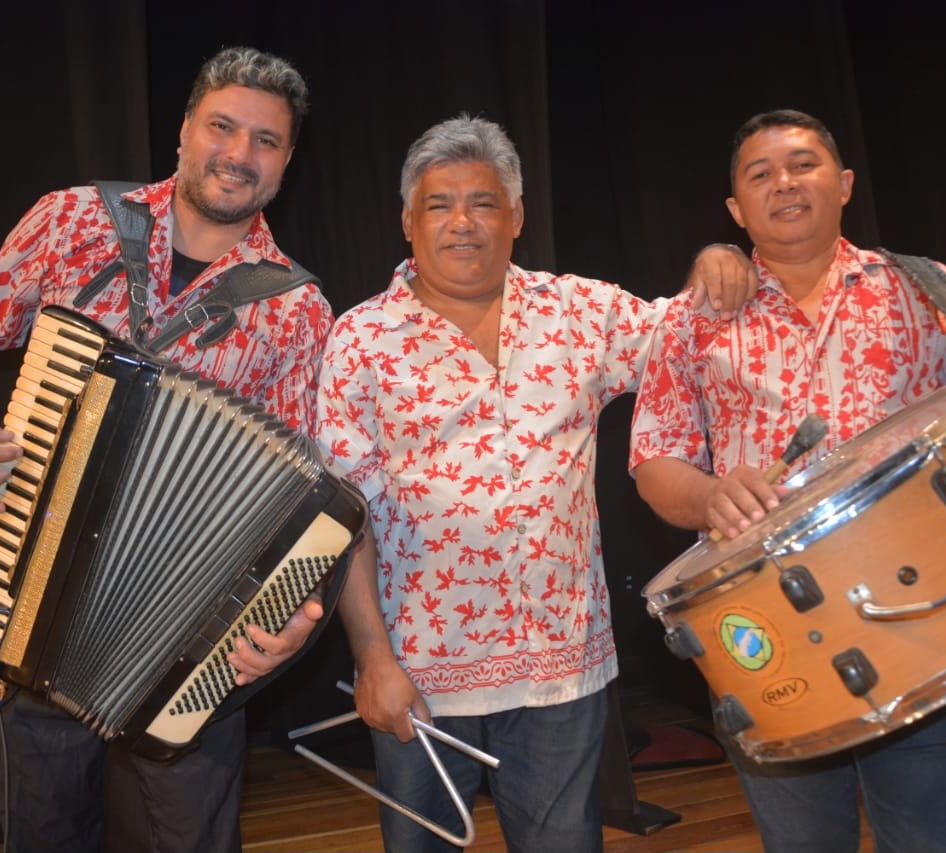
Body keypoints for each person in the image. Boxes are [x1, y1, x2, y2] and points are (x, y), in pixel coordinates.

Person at [0, 46, 332, 853]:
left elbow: (296, 495)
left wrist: (295, 613)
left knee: (192, 835)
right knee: (40, 828)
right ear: (183, 131)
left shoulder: (297, 308)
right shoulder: (72, 219)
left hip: (184, 616)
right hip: (24, 566)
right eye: (223, 127)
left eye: (266, 141)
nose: (240, 154)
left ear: (286, 163)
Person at [312, 114, 755, 853]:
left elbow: (685, 334)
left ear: (516, 216)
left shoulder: (578, 311)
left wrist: (716, 257)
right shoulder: (359, 339)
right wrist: (372, 660)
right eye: (439, 204)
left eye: (484, 203)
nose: (463, 223)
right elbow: (343, 513)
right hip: (420, 675)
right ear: (407, 222)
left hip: (559, 673)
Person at [629, 108, 946, 853]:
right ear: (735, 208)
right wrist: (712, 493)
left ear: (844, 183)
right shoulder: (692, 320)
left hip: (922, 617)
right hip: (766, 642)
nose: (784, 183)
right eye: (760, 174)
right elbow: (656, 464)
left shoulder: (923, 287)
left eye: (803, 164)